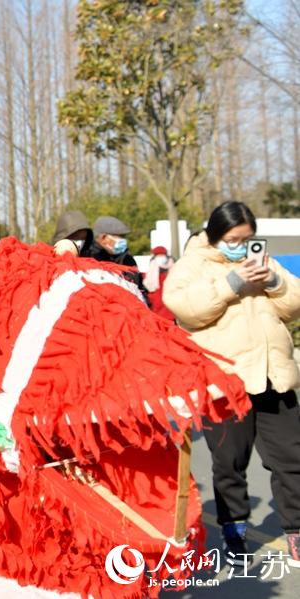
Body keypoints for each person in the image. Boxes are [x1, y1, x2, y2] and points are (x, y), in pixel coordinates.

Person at [163, 201, 300, 567]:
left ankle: (296, 530)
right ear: (215, 235)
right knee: (229, 463)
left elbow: (295, 302)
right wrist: (232, 283)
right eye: (234, 239)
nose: (241, 246)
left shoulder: (263, 263)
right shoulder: (192, 265)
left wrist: (272, 281)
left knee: (291, 459)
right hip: (226, 382)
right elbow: (183, 307)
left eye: (248, 239)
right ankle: (234, 528)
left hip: (273, 377)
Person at [143, 246, 174, 320]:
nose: (161, 257)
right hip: (157, 307)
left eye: (162, 255)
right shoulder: (152, 272)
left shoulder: (173, 269)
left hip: (170, 307)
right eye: (158, 255)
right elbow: (149, 285)